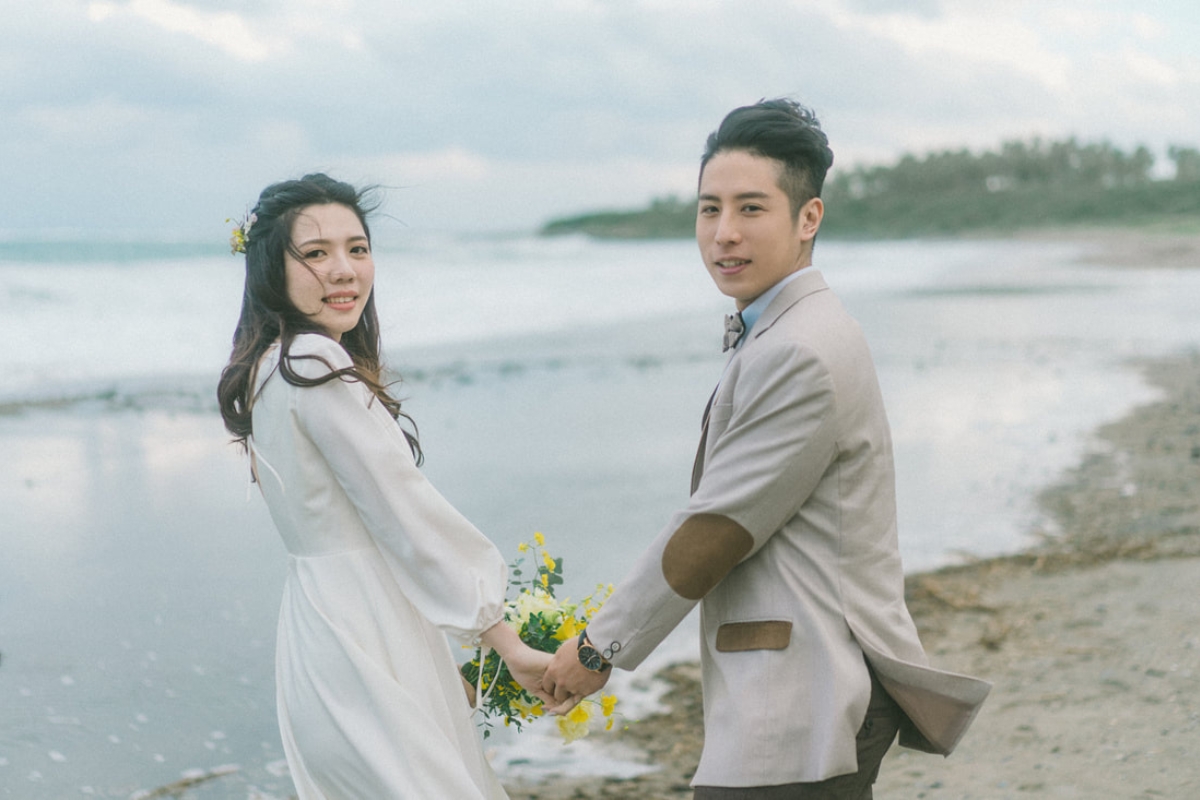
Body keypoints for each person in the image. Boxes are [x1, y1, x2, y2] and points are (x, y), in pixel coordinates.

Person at [542, 100, 991, 798]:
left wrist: (601, 647)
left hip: (805, 691)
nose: (723, 234)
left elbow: (717, 527)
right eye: (708, 209)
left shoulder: (800, 350)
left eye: (751, 209)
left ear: (808, 218)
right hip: (806, 685)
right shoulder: (791, 329)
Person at [217, 173, 550, 799]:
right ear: (270, 269)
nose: (344, 270)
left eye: (357, 249)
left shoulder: (266, 365)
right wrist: (502, 640)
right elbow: (406, 514)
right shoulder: (313, 363)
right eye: (315, 254)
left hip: (321, 628)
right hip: (364, 630)